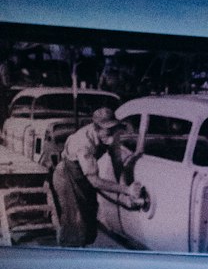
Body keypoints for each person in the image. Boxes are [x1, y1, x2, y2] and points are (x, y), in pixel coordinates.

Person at [51, 105, 147, 247]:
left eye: (113, 128)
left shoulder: (110, 135)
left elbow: (117, 163)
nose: (110, 134)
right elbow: (95, 182)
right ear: (96, 128)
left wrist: (125, 188)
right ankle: (69, 258)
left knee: (90, 218)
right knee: (75, 221)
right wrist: (127, 190)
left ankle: (81, 251)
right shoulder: (83, 144)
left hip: (83, 176)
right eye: (107, 130)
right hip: (67, 177)